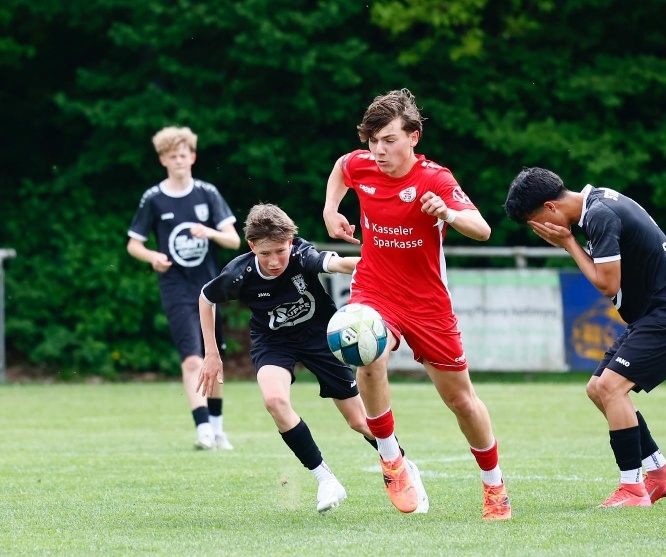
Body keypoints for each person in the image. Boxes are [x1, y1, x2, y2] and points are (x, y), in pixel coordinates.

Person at [322, 89, 511, 520]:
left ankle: (494, 486)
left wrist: (447, 213)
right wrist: (331, 209)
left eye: (389, 140)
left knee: (461, 400)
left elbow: (482, 229)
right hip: (375, 290)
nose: (379, 150)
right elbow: (341, 166)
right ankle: (392, 460)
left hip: (428, 304)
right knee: (367, 355)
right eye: (373, 141)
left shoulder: (435, 179)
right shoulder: (362, 165)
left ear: (413, 137)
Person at [196, 203, 427, 514]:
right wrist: (212, 353)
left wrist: (388, 267)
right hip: (273, 341)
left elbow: (339, 263)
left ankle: (403, 466)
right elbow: (206, 298)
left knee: (359, 421)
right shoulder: (239, 273)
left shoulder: (302, 255)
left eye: (280, 251)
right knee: (274, 400)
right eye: (265, 253)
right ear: (251, 247)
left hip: (322, 338)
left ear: (290, 242)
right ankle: (326, 479)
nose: (274, 261)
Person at [503, 167, 666, 507]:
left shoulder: (599, 215)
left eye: (536, 223)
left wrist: (568, 243)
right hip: (654, 316)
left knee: (611, 387)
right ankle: (660, 472)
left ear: (551, 207)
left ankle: (632, 488)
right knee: (598, 388)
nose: (540, 231)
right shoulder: (598, 203)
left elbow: (607, 284)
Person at [127, 126, 241, 451]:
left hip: (210, 289)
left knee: (213, 357)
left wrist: (210, 232)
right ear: (163, 160)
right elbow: (134, 244)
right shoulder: (153, 198)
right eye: (172, 156)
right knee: (192, 359)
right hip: (176, 288)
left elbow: (234, 240)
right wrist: (153, 257)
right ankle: (203, 430)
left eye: (183, 155)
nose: (178, 160)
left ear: (192, 157)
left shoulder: (207, 193)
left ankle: (218, 429)